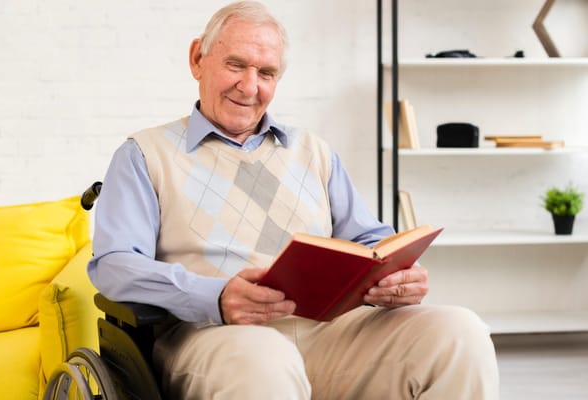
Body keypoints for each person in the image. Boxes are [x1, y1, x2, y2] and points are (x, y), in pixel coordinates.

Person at [88, 1, 499, 398]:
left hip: (331, 336)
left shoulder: (313, 150)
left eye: (266, 72)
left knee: (460, 332)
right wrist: (214, 295)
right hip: (214, 338)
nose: (249, 86)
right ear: (198, 58)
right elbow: (114, 264)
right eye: (236, 65)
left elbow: (371, 240)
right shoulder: (144, 154)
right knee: (266, 357)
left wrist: (399, 275)